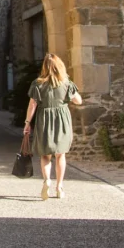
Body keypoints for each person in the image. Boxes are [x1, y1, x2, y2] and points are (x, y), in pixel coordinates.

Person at [23, 53, 83, 200]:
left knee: (45, 154)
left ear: (45, 67)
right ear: (60, 66)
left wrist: (27, 123)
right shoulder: (66, 83)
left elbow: (32, 104)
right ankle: (59, 187)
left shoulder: (38, 83)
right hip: (62, 120)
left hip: (44, 119)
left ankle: (47, 180)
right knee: (60, 154)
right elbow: (78, 101)